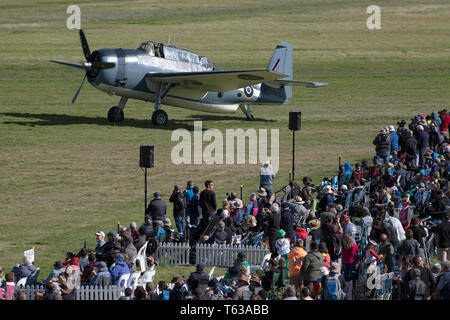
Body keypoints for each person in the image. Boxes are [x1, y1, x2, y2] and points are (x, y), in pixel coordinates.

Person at [341, 234, 359, 300]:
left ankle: (348, 296)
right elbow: (358, 253)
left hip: (346, 264)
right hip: (353, 264)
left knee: (347, 281)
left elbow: (343, 257)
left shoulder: (345, 248)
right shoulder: (354, 246)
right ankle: (353, 296)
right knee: (353, 280)